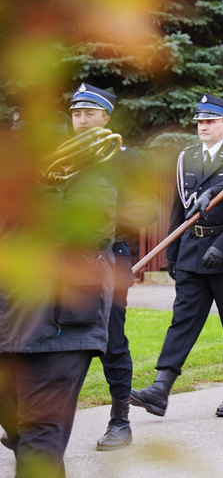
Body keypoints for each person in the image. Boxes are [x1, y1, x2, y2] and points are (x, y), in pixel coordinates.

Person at [1, 112, 117, 478]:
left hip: (59, 333)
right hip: (9, 327)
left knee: (40, 438)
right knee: (23, 435)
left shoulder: (92, 184)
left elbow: (83, 238)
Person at [131, 95, 223, 418]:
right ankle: (161, 388)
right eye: (200, 121)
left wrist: (222, 247)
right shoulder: (186, 157)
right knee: (182, 320)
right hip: (191, 251)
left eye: (210, 121)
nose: (203, 126)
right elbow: (180, 208)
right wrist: (172, 253)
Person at [68, 84, 158, 451]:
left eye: (90, 113)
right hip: (63, 261)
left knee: (111, 341)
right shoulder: (60, 158)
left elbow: (146, 211)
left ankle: (120, 421)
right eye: (76, 113)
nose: (82, 120)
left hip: (109, 258)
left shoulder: (125, 159)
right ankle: (40, 421)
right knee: (54, 344)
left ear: (106, 118)